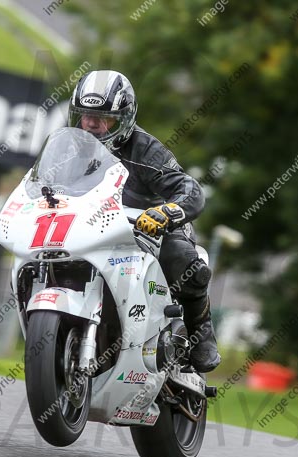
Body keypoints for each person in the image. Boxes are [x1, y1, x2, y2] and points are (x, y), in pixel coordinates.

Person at [67, 69, 220, 372]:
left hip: (146, 230)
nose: (92, 125)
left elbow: (189, 189)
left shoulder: (145, 149)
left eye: (103, 118)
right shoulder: (67, 148)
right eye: (85, 116)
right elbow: (39, 184)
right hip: (88, 228)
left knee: (182, 260)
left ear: (124, 118)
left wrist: (165, 213)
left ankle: (202, 335)